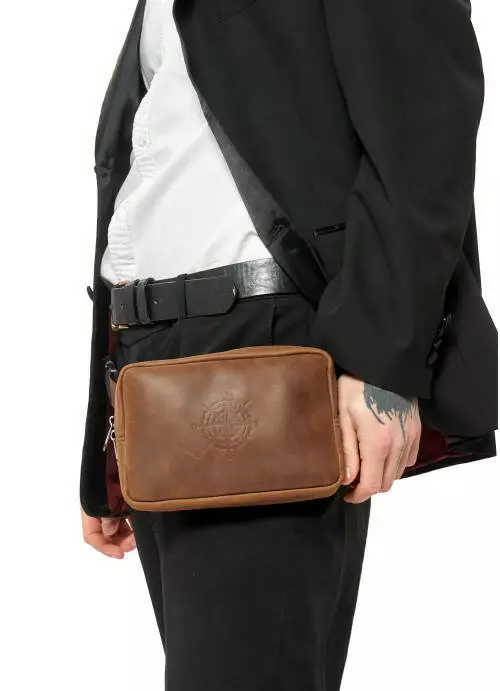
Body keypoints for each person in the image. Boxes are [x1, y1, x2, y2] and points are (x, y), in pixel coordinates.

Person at [80, 1, 497, 689]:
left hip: (268, 349)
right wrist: (106, 453)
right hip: (152, 369)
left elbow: (425, 123)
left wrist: (381, 360)